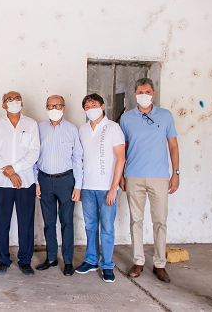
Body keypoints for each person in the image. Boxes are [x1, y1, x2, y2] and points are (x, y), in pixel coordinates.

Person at [119, 78, 179, 283]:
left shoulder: (165, 116)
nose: (143, 95)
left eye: (147, 91)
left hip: (160, 177)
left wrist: (176, 173)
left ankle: (160, 265)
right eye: (140, 92)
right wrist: (121, 175)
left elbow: (173, 146)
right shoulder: (126, 118)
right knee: (136, 220)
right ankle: (138, 261)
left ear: (153, 93)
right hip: (133, 175)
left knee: (160, 221)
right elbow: (123, 149)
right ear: (135, 94)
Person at [75, 94, 125, 283]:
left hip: (106, 188)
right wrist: (79, 186)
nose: (90, 109)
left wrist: (114, 188)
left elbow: (120, 158)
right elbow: (78, 159)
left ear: (103, 106)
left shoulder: (113, 128)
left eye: (93, 105)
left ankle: (107, 265)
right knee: (90, 226)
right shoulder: (82, 129)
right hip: (88, 187)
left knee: (107, 228)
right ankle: (91, 260)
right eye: (86, 106)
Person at [0, 91, 40, 277]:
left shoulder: (31, 124)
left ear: (22, 103)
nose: (14, 101)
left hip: (25, 182)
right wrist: (9, 173)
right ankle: (3, 260)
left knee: (25, 223)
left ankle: (25, 260)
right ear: (3, 105)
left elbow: (34, 152)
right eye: (9, 99)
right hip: (2, 182)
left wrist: (15, 170)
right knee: (2, 223)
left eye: (17, 98)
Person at [34, 95, 83, 276]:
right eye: (50, 105)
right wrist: (36, 182)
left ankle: (68, 260)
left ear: (63, 107)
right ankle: (52, 258)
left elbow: (78, 158)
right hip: (45, 180)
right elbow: (33, 157)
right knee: (49, 222)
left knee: (67, 222)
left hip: (66, 181)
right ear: (46, 107)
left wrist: (78, 185)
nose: (54, 108)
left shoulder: (71, 129)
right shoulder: (39, 128)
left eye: (57, 105)